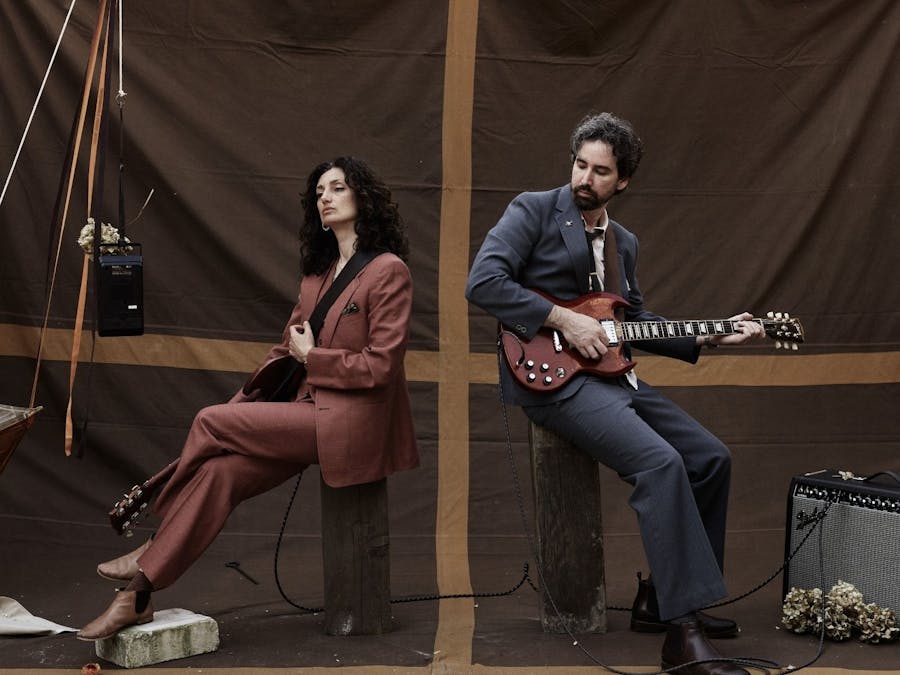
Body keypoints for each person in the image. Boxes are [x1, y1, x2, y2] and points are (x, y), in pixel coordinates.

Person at [465, 113, 764, 675]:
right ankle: (683, 634)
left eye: (601, 172)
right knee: (660, 463)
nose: (586, 178)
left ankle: (662, 598)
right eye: (581, 164)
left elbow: (635, 320)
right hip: (553, 381)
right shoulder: (533, 209)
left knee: (709, 459)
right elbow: (483, 281)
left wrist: (712, 334)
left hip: (612, 376)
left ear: (622, 181)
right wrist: (562, 319)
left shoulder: (623, 242)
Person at [77, 156, 419, 640]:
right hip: (303, 412)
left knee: (208, 422)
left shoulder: (389, 273)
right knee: (220, 472)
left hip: (353, 423)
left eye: (338, 188)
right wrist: (243, 405)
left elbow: (382, 367)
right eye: (319, 190)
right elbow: (285, 350)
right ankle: (139, 595)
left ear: (362, 197)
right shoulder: (317, 275)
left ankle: (154, 541)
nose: (325, 196)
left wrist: (313, 359)